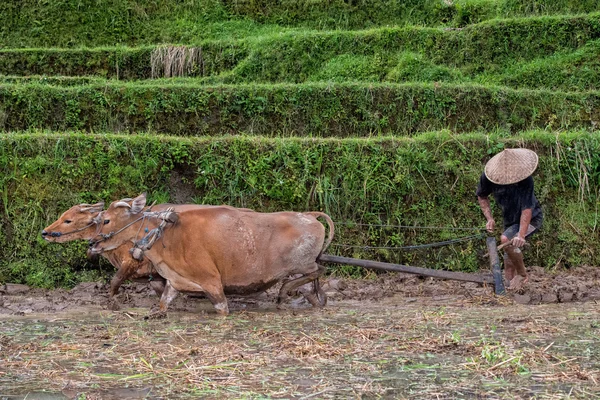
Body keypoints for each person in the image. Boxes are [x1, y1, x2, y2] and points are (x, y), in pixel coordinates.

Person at [476, 148, 543, 290]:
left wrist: (521, 235)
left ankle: (523, 275)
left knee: (506, 240)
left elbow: (527, 208)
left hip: (532, 219)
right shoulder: (489, 177)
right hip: (510, 218)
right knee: (509, 255)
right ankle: (509, 287)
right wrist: (489, 218)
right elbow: (482, 196)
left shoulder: (525, 179)